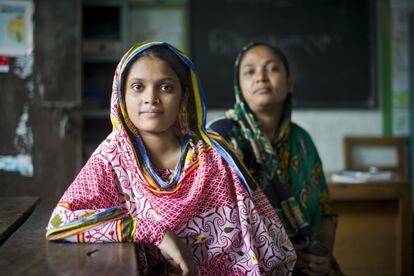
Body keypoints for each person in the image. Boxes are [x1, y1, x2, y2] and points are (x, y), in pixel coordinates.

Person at [46, 42, 296, 275]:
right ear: (121, 96)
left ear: (184, 97)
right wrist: (155, 232)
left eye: (166, 87)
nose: (151, 98)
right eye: (137, 87)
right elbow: (62, 223)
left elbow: (263, 242)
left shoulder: (214, 155)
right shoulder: (111, 158)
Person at [209, 42, 343, 276]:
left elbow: (326, 209)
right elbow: (218, 224)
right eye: (249, 71)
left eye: (272, 69)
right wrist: (282, 253)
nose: (260, 77)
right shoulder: (222, 138)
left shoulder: (302, 141)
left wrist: (323, 254)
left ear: (289, 83)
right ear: (238, 87)